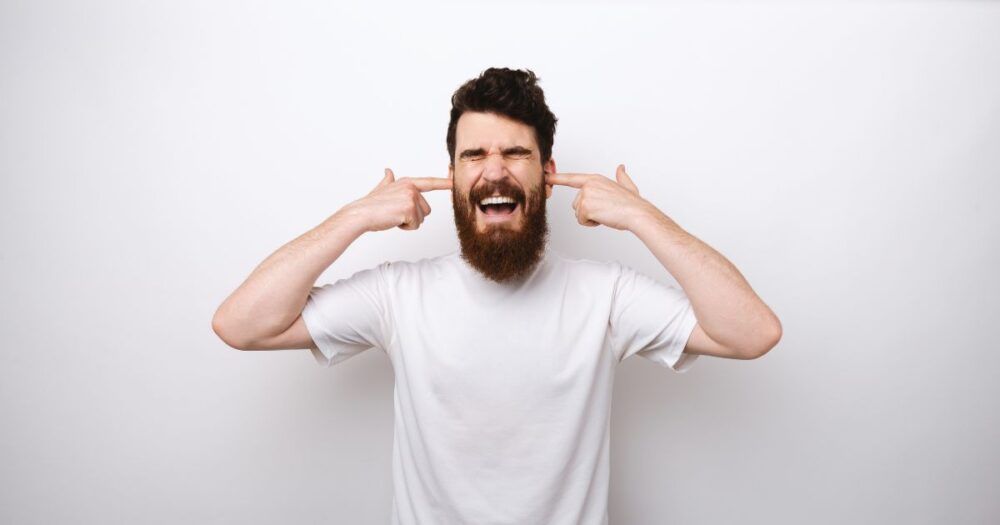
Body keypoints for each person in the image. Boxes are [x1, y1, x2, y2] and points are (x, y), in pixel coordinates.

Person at [212, 67, 782, 525]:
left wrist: (641, 215)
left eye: (515, 153)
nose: (494, 172)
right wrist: (355, 218)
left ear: (548, 174)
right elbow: (243, 325)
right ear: (454, 178)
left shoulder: (605, 296)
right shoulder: (398, 295)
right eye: (474, 156)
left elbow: (752, 333)